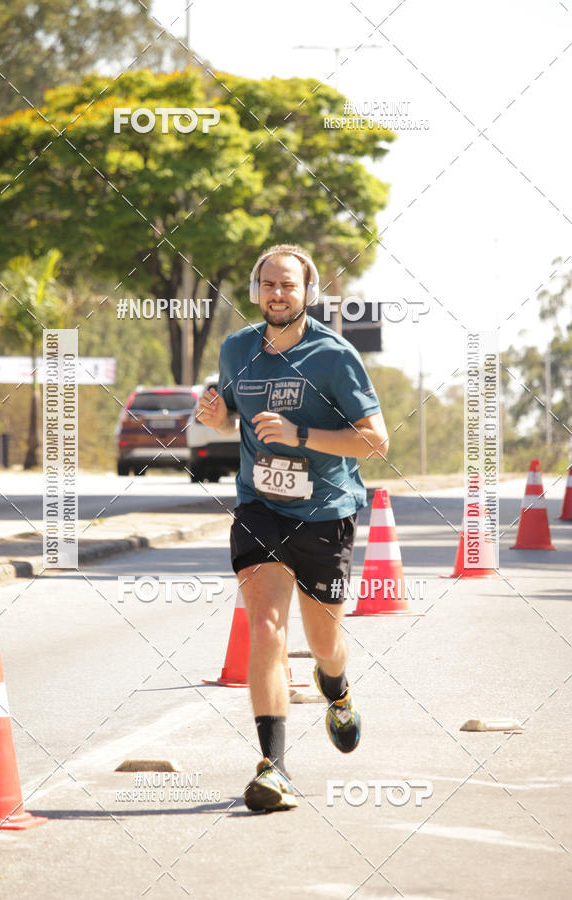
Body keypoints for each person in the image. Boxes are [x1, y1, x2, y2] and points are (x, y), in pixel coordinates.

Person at [196, 244, 388, 812]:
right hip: (260, 507)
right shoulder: (236, 350)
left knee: (326, 644)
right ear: (257, 292)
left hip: (326, 511)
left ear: (307, 293)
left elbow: (376, 441)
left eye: (290, 285)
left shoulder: (334, 356)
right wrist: (218, 417)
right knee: (266, 627)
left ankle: (338, 689)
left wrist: (300, 436)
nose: (279, 294)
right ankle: (273, 767)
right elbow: (230, 410)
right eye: (269, 285)